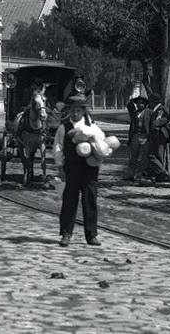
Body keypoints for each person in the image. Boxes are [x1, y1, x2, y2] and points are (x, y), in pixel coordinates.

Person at [54, 94, 105, 247]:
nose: (75, 113)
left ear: (83, 111)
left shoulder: (92, 126)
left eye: (78, 110)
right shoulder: (63, 128)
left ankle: (91, 235)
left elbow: (101, 141)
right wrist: (60, 167)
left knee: (90, 200)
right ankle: (66, 234)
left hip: (89, 168)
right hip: (71, 167)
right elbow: (58, 148)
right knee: (69, 201)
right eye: (73, 110)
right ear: (69, 111)